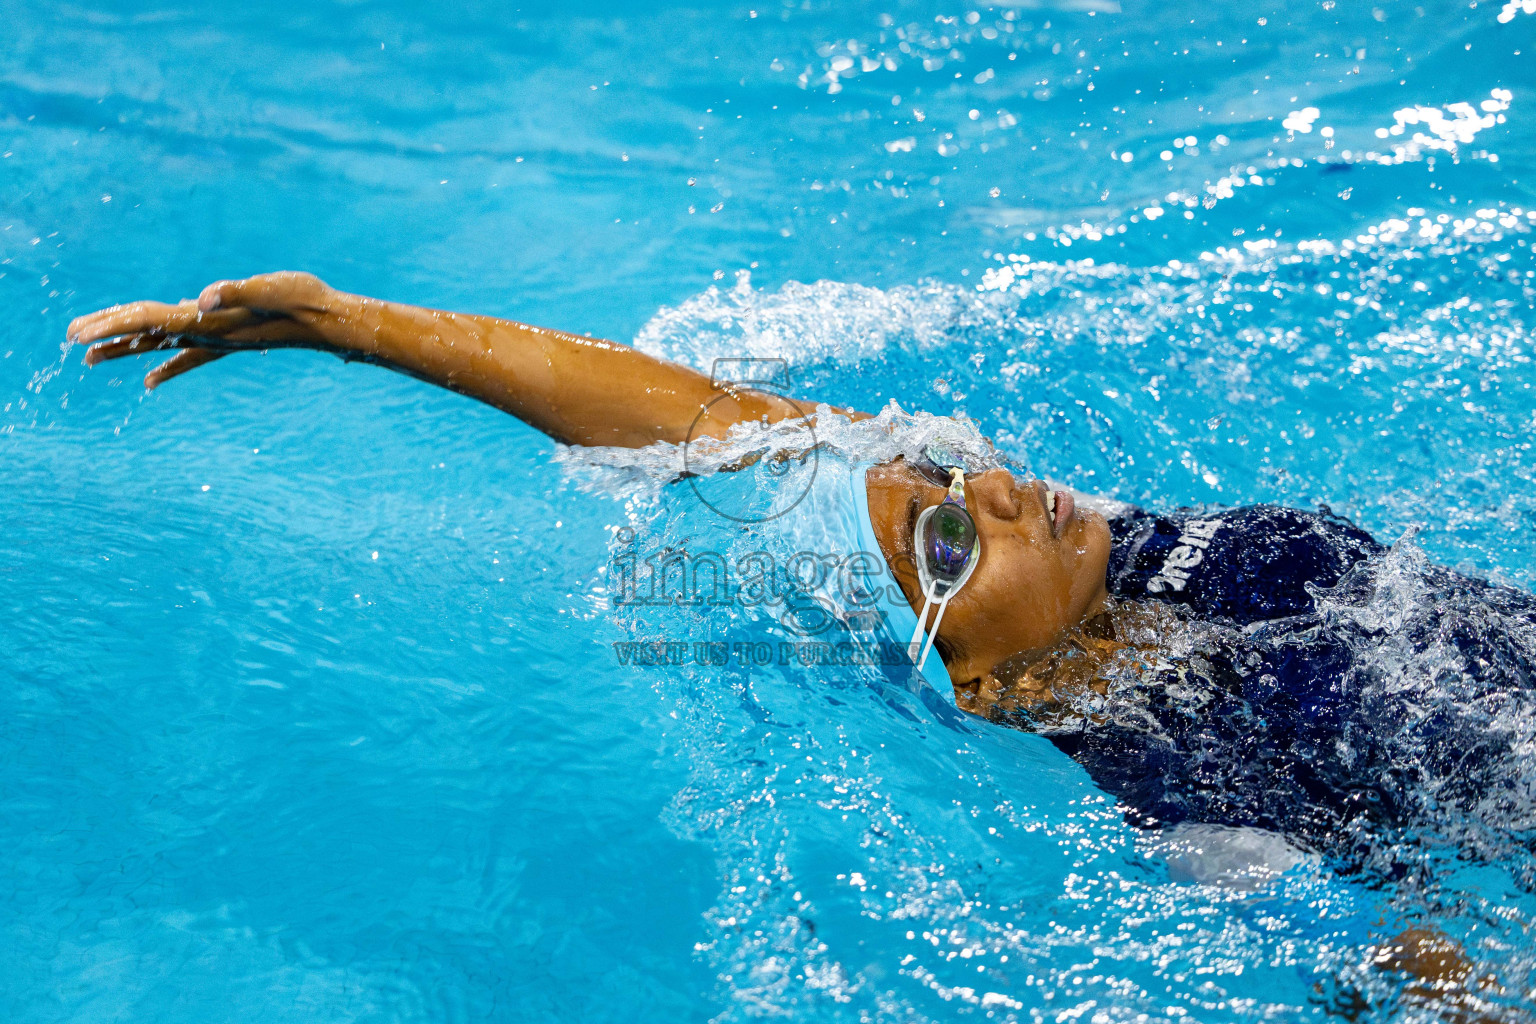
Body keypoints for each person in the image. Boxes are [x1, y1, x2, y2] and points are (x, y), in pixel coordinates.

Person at [69, 271, 1532, 1014]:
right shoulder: (1176, 789)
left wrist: (351, 323)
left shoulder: (1141, 558)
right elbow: (1398, 963)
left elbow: (694, 425)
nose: (1006, 493)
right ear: (960, 676)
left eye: (952, 470)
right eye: (951, 539)